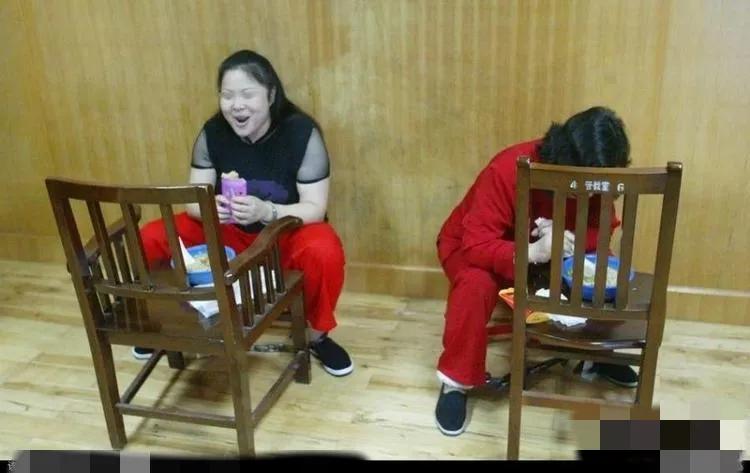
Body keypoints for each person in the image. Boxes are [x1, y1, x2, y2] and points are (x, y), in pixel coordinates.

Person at [135, 49, 353, 377]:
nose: (237, 105)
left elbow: (315, 208)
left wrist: (267, 211)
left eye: (248, 95)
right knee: (151, 237)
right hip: (226, 233)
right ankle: (162, 323)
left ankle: (317, 336)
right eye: (227, 96)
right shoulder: (213, 132)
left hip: (281, 233)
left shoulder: (301, 133)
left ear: (271, 95)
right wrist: (210, 207)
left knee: (323, 250)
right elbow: (193, 201)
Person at [434, 106, 634, 436]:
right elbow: (475, 245)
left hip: (542, 253)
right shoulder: (507, 168)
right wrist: (534, 251)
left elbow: (600, 234)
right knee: (475, 283)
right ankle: (456, 381)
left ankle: (596, 354)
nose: (597, 196)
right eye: (588, 188)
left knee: (600, 267)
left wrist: (566, 237)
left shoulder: (598, 177)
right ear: (566, 160)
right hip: (475, 247)